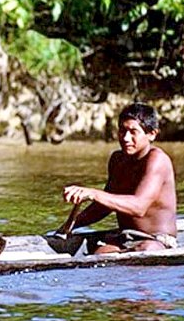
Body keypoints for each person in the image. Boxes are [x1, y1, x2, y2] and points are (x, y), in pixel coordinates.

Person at [57, 102, 177, 253]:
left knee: (147, 249)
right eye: (122, 130)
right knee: (100, 253)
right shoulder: (117, 159)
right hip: (125, 237)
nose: (126, 138)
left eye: (133, 132)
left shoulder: (157, 160)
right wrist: (71, 225)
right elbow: (104, 206)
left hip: (156, 240)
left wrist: (93, 193)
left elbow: (139, 207)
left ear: (151, 134)